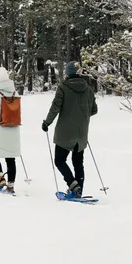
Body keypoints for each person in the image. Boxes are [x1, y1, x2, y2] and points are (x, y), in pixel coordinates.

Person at [42, 61, 98, 197]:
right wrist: (81, 116)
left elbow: (55, 107)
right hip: (81, 132)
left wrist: (47, 123)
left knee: (59, 160)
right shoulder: (88, 89)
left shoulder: (63, 88)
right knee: (78, 163)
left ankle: (73, 185)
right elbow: (94, 110)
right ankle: (78, 190)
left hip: (65, 132)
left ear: (67, 73)